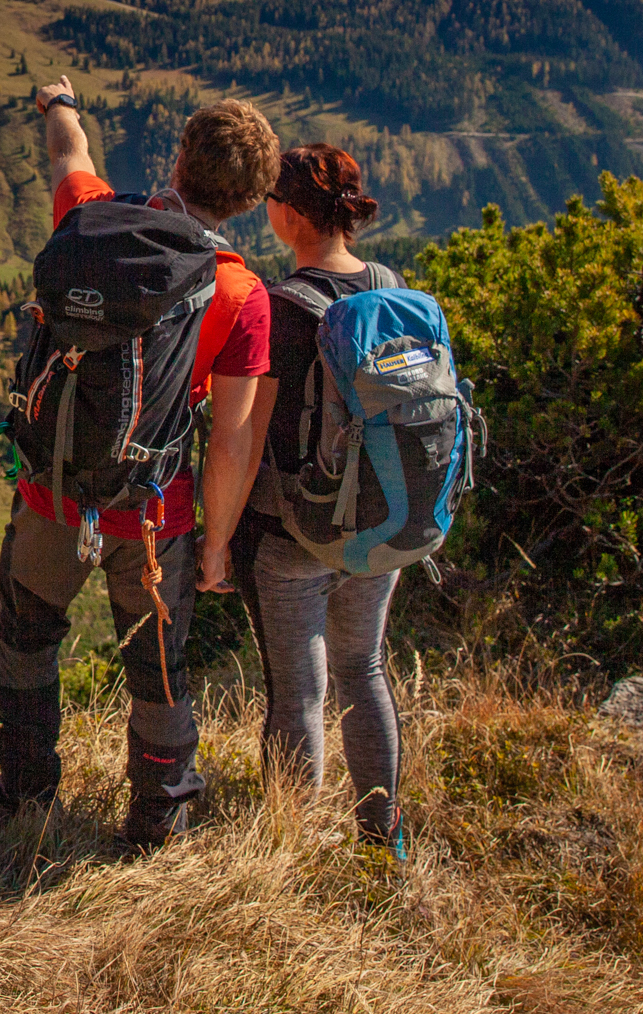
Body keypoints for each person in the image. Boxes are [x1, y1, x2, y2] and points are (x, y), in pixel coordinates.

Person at [0, 74, 281, 847]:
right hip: (152, 515)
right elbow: (232, 438)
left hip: (51, 493)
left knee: (26, 638)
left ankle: (23, 795)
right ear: (250, 200)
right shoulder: (240, 292)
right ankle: (157, 822)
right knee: (156, 668)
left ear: (178, 157)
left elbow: (67, 151)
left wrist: (59, 102)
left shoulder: (89, 219)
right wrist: (215, 543)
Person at [196, 141, 405, 852]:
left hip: (291, 536)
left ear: (287, 216)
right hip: (380, 528)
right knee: (365, 670)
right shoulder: (389, 285)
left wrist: (216, 540)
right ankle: (383, 837)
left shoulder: (282, 308)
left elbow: (246, 440)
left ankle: (288, 847)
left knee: (299, 693)